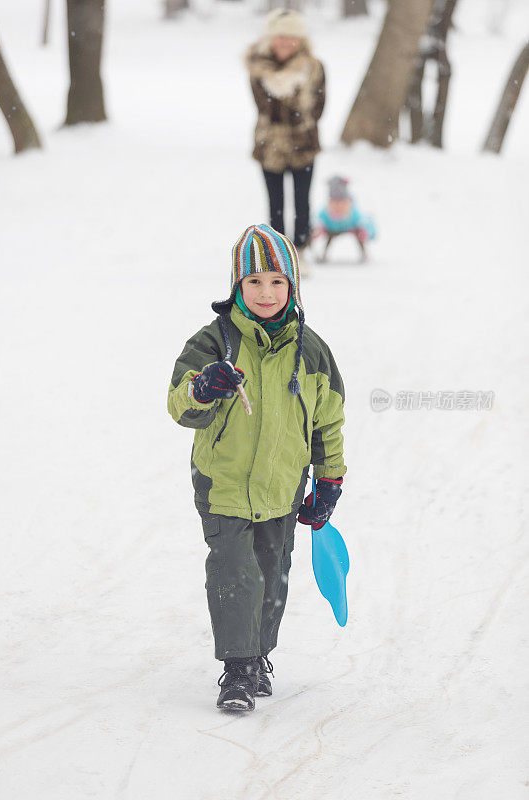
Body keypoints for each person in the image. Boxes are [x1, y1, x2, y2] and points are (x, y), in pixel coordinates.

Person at [167, 224, 346, 712]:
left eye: (276, 282)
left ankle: (260, 654)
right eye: (254, 282)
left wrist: (330, 478)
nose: (266, 294)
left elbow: (328, 420)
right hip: (223, 484)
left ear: (293, 286)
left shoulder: (311, 351)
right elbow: (180, 405)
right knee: (234, 571)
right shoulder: (213, 344)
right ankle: (239, 667)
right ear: (236, 286)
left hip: (283, 485)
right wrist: (205, 387)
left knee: (273, 572)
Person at [245, 9, 325, 277]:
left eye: (292, 37)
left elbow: (320, 104)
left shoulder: (314, 67)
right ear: (272, 38)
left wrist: (299, 116)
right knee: (275, 202)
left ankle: (301, 250)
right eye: (281, 37)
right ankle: (278, 256)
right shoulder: (258, 68)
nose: (286, 43)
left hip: (304, 144)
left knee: (302, 201)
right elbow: (264, 106)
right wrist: (292, 109)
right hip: (270, 145)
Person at [313, 176, 377, 263]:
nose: (338, 206)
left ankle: (364, 252)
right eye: (334, 203)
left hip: (351, 227)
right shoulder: (325, 213)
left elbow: (365, 222)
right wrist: (319, 229)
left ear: (348, 202)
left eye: (342, 202)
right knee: (328, 238)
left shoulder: (353, 213)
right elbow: (316, 220)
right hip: (331, 229)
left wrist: (365, 231)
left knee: (360, 233)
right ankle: (323, 253)